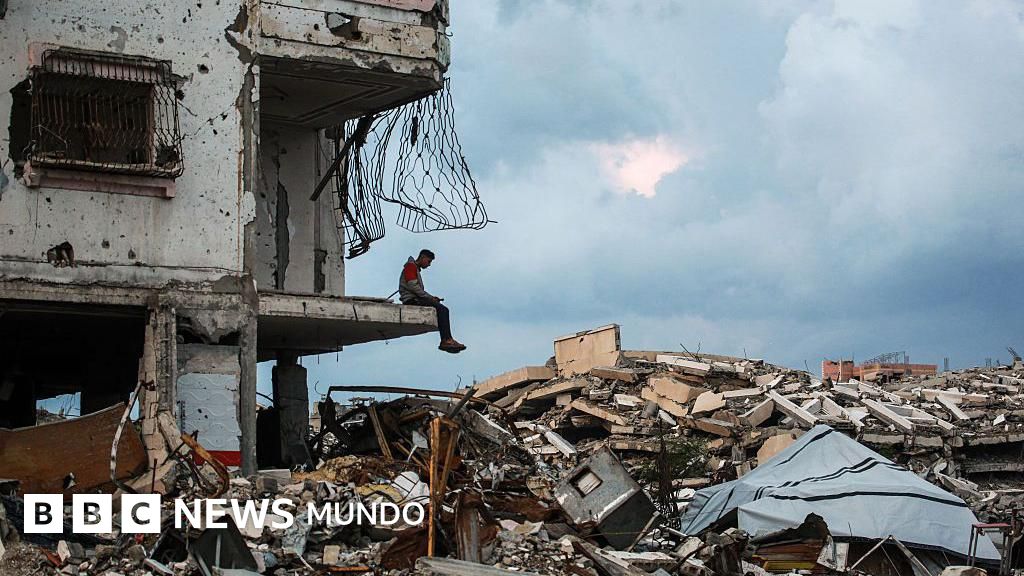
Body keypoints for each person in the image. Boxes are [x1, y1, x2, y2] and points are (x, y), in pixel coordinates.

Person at [399, 249, 466, 353]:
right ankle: (446, 340)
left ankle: (447, 339)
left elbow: (416, 289)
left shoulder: (413, 268)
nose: (429, 265)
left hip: (414, 298)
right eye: (429, 261)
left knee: (441, 309)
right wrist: (429, 298)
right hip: (412, 300)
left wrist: (431, 298)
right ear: (423, 257)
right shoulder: (410, 266)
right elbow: (413, 287)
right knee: (443, 310)